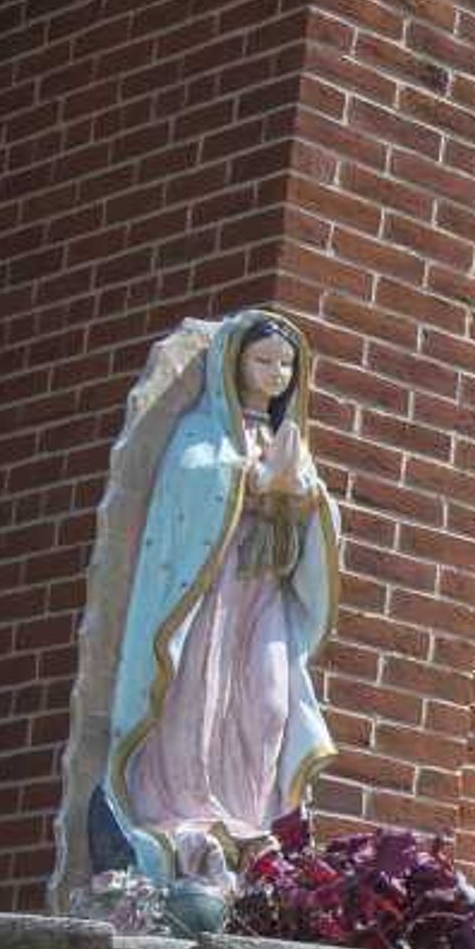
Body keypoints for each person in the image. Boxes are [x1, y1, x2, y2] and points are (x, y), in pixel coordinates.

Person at [107, 311, 344, 897]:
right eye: (264, 361)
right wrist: (248, 482)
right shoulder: (204, 434)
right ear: (234, 362)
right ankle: (187, 810)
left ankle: (251, 818)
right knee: (199, 697)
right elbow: (191, 488)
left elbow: (319, 527)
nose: (277, 374)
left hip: (264, 597)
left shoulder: (290, 440)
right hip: (209, 599)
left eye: (287, 366)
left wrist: (306, 499)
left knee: (268, 705)